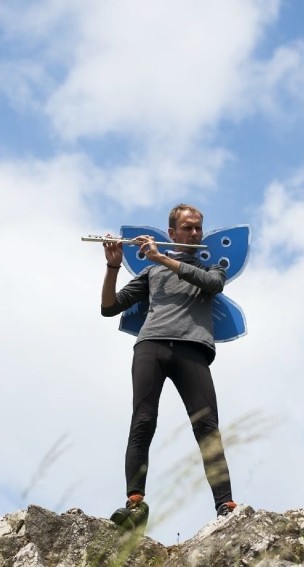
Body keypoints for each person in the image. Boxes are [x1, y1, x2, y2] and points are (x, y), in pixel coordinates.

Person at [100, 204, 237, 531]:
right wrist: (113, 266)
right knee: (143, 420)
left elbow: (211, 284)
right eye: (187, 228)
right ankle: (134, 504)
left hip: (194, 350)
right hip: (152, 346)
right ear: (172, 232)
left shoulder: (214, 268)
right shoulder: (151, 272)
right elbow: (108, 307)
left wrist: (161, 257)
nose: (194, 233)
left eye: (197, 228)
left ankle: (226, 505)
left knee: (207, 428)